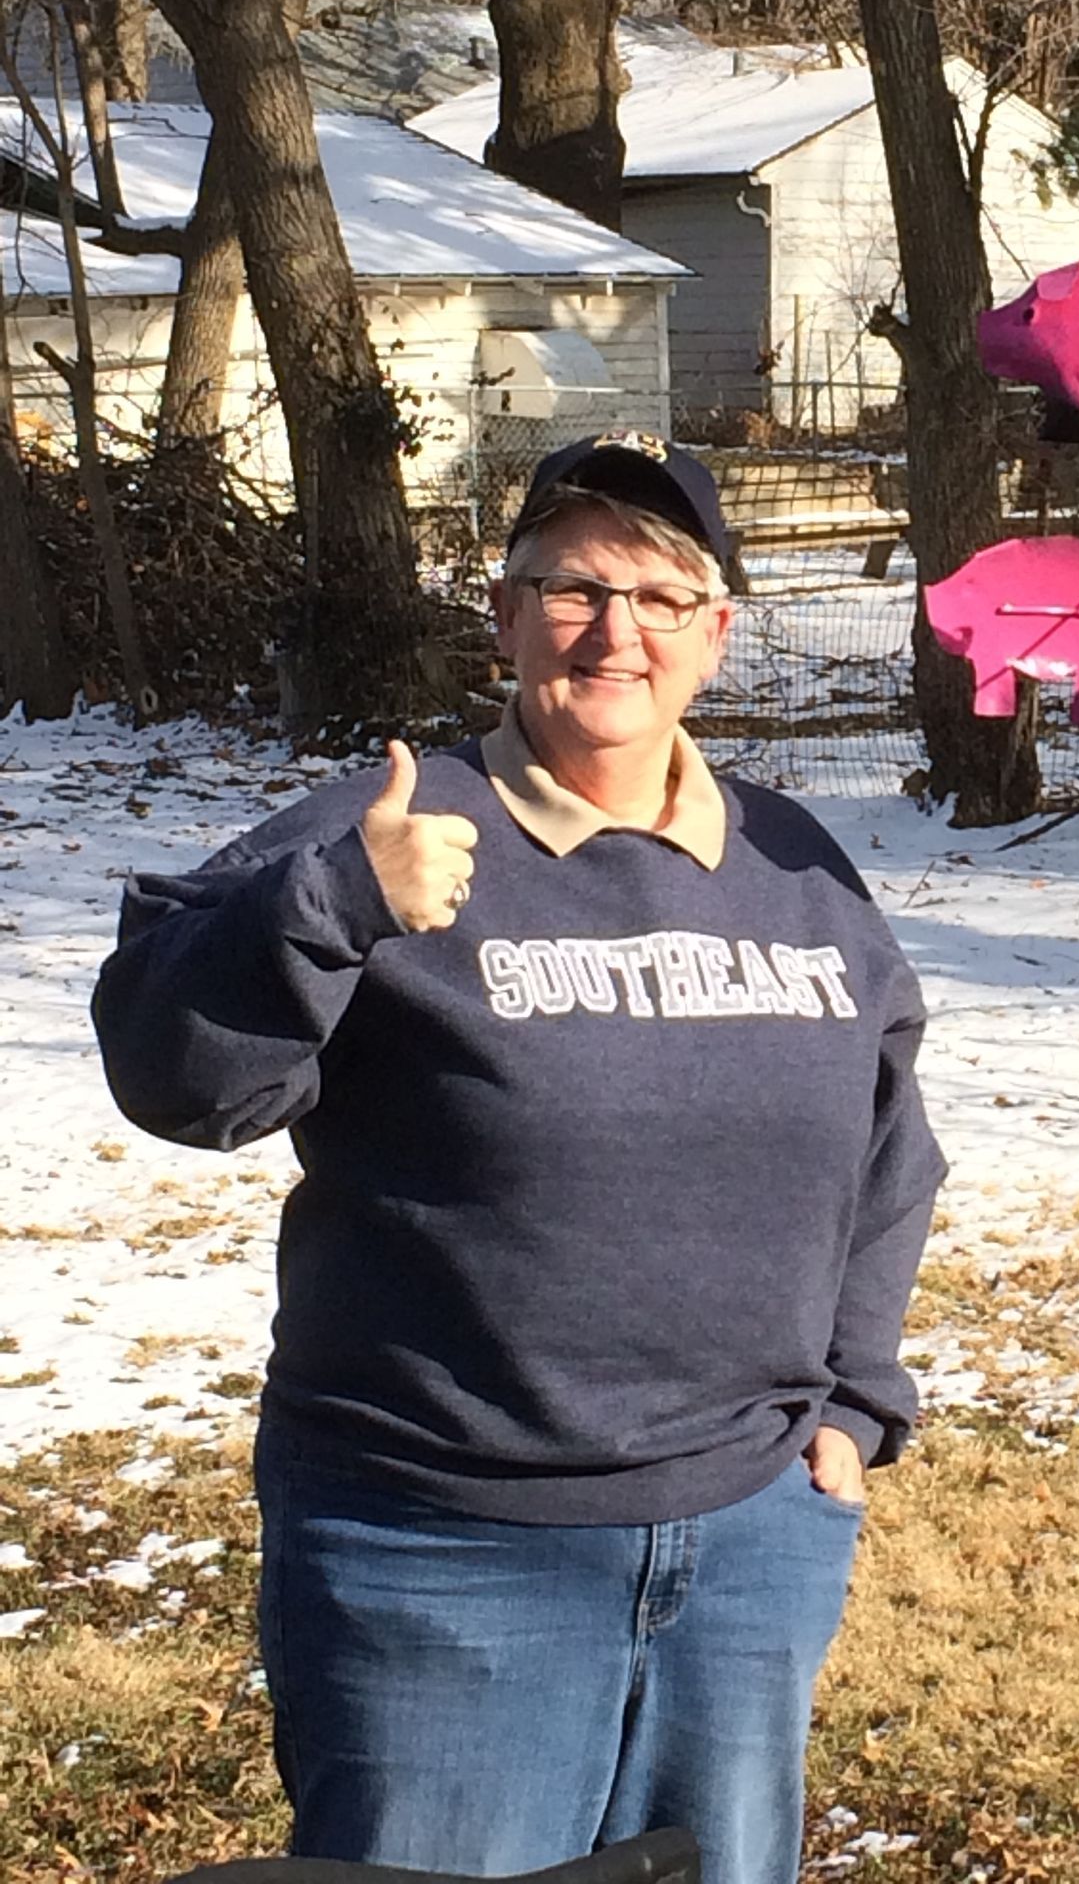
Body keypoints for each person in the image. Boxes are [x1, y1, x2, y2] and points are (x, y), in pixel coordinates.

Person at [92, 432, 945, 1884]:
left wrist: (855, 1405)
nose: (617, 632)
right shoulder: (382, 834)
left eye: (663, 596)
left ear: (717, 635)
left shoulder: (800, 871)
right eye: (571, 589)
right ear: (502, 618)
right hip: (445, 1552)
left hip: (747, 1546)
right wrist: (336, 905)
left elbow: (886, 1148)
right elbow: (176, 1080)